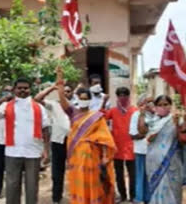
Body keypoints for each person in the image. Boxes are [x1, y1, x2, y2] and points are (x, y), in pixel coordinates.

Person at [56, 67, 116, 204]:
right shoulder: (73, 112)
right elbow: (62, 98)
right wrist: (59, 81)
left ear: (90, 100)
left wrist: (106, 157)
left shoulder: (97, 117)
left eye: (86, 98)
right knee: (78, 181)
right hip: (76, 156)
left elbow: (105, 139)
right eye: (81, 98)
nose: (84, 100)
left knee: (94, 181)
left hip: (93, 156)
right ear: (77, 98)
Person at [0, 78, 50, 204]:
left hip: (33, 152)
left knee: (32, 188)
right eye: (19, 88)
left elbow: (45, 129)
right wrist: (0, 101)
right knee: (12, 187)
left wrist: (46, 151)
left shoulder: (38, 107)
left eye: (25, 88)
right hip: (12, 152)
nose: (22, 90)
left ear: (29, 90)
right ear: (15, 89)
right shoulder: (6, 105)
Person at [34, 83, 75, 204]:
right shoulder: (54, 104)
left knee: (76, 169)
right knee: (57, 171)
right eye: (64, 91)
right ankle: (56, 198)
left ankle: (77, 196)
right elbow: (36, 99)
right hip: (58, 141)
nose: (66, 93)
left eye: (68, 91)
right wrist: (52, 88)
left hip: (74, 141)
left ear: (72, 93)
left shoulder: (77, 104)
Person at [145, 95, 184, 204]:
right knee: (155, 187)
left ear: (170, 105)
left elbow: (182, 139)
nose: (163, 107)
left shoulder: (176, 119)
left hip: (170, 161)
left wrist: (177, 124)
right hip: (153, 161)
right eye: (160, 105)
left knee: (171, 188)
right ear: (155, 106)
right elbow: (146, 137)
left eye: (165, 104)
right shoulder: (152, 121)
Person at [102, 87, 137, 202]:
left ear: (128, 96)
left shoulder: (134, 110)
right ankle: (122, 196)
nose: (122, 97)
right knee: (119, 174)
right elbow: (101, 117)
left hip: (131, 146)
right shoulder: (113, 111)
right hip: (117, 147)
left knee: (133, 174)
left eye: (125, 95)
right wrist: (103, 102)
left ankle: (133, 196)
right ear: (117, 97)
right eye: (120, 95)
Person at [129, 94, 155, 203]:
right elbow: (134, 134)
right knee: (141, 175)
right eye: (146, 102)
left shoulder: (157, 115)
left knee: (151, 175)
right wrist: (147, 135)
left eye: (151, 102)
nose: (149, 104)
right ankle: (140, 198)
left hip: (154, 151)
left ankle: (150, 198)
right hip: (141, 150)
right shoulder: (136, 115)